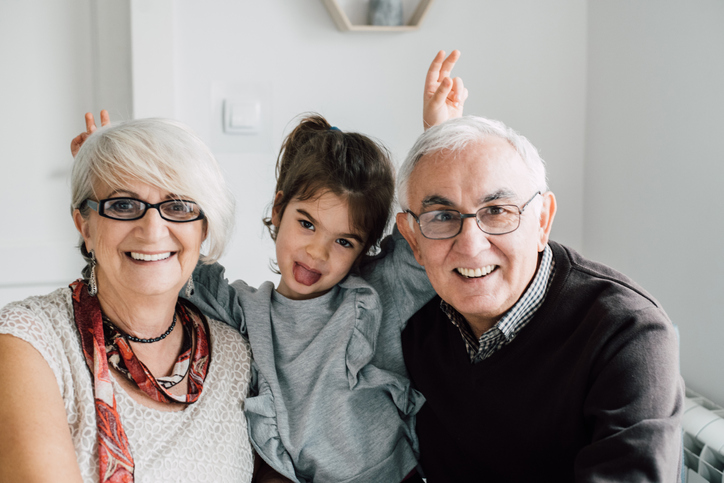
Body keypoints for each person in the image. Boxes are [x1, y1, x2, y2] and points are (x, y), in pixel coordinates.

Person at [186, 52, 467, 483]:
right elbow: (174, 264)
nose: (317, 253)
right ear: (278, 209)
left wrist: (439, 133)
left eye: (343, 241)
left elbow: (431, 231)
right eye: (306, 223)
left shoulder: (376, 294)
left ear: (363, 250)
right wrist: (113, 187)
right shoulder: (245, 309)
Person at [395, 115, 685, 481]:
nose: (470, 246)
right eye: (442, 216)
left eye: (497, 211)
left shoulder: (628, 333)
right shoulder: (411, 319)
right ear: (412, 239)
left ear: (543, 220)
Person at [0, 118, 255, 482]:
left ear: (203, 228)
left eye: (179, 205)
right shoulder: (29, 343)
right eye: (122, 205)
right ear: (85, 227)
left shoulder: (236, 354)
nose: (152, 230)